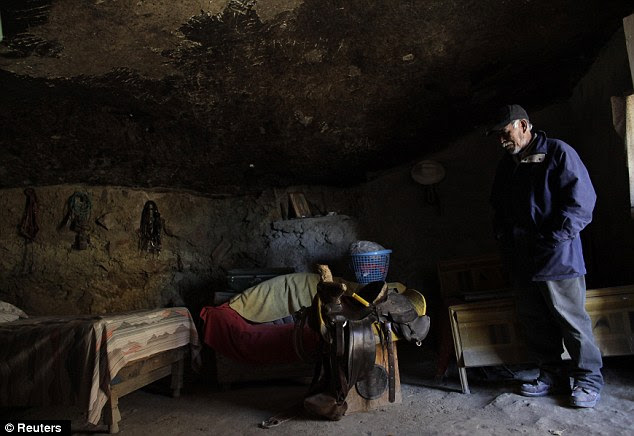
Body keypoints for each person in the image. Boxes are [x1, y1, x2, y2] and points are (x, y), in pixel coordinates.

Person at [487, 104, 603, 408]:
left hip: (557, 258)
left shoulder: (558, 153)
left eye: (505, 132)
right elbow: (498, 207)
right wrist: (505, 238)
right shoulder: (508, 164)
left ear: (523, 125)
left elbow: (582, 204)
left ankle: (589, 380)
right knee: (535, 320)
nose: (501, 140)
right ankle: (552, 375)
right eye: (497, 135)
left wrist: (551, 239)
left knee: (571, 321)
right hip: (521, 259)